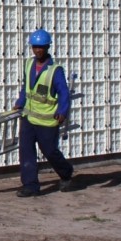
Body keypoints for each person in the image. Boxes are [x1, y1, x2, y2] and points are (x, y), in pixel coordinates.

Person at [14, 28, 78, 197]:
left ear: (47, 47)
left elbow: (63, 92)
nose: (38, 50)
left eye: (41, 47)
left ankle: (66, 172)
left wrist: (62, 111)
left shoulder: (55, 70)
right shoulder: (29, 64)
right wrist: (20, 102)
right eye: (35, 47)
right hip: (29, 117)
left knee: (50, 151)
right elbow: (26, 88)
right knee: (26, 152)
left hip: (47, 120)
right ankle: (30, 186)